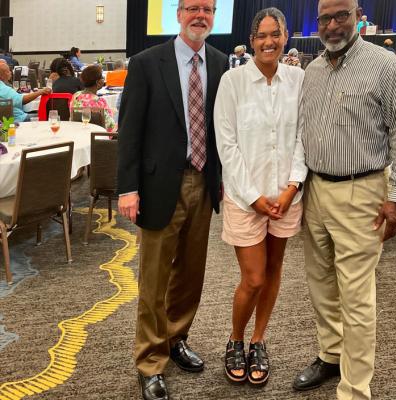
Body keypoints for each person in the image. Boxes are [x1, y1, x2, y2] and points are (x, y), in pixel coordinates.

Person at [293, 0, 396, 398]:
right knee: (321, 283)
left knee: (357, 296)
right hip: (315, 191)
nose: (332, 26)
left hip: (361, 193)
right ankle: (330, 355)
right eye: (325, 18)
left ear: (357, 15)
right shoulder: (310, 72)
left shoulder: (385, 65)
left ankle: (355, 388)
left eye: (341, 16)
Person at [117, 0, 228, 398]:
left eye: (208, 9)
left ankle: (176, 338)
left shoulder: (219, 62)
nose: (201, 15)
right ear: (178, 14)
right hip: (157, 186)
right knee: (154, 279)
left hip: (204, 183)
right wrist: (128, 188)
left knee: (191, 273)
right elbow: (129, 131)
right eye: (193, 7)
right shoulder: (147, 63)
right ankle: (150, 360)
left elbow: (220, 129)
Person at [214, 7, 307, 386]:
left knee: (272, 272)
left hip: (286, 196)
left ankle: (258, 340)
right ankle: (235, 338)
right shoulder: (232, 82)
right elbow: (227, 145)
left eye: (275, 34)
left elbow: (304, 137)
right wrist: (254, 197)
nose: (269, 41)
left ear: (285, 37)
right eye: (261, 35)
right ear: (252, 41)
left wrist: (291, 187)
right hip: (243, 197)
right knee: (252, 278)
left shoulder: (299, 80)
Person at [71, 65, 116, 132]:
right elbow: (110, 126)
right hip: (97, 138)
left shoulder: (76, 95)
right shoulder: (99, 101)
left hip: (79, 133)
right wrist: (112, 113)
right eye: (102, 77)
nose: (103, 79)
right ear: (97, 82)